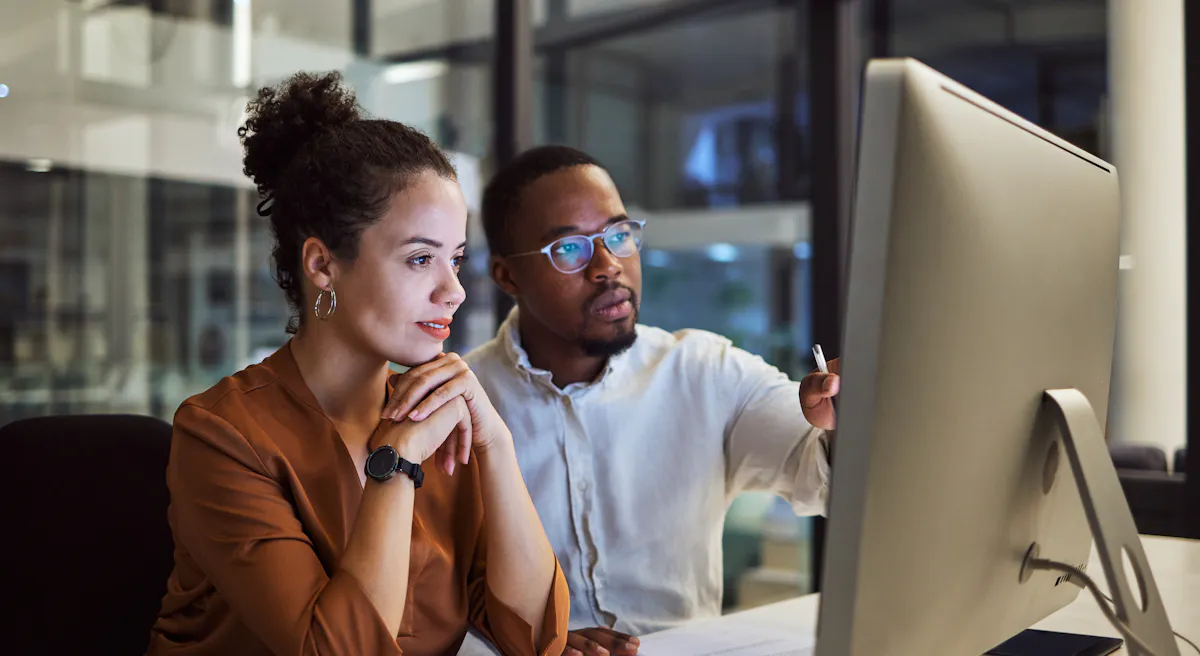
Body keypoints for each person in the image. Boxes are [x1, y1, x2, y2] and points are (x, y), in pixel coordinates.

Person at [146, 72, 569, 656]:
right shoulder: (222, 435)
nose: (454, 291)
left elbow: (536, 638)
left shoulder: (440, 415)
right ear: (323, 265)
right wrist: (395, 463)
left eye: (455, 260)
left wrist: (496, 444)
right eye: (420, 259)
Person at [461, 145, 839, 656]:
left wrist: (840, 421)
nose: (608, 266)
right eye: (569, 248)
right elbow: (427, 603)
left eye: (619, 235)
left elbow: (821, 478)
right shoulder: (461, 404)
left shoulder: (704, 372)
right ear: (507, 276)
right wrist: (525, 643)